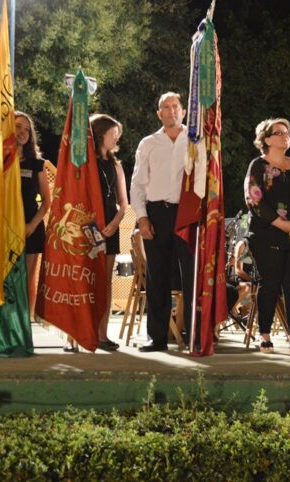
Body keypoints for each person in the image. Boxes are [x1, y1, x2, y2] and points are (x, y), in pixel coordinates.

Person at [244, 118, 290, 354]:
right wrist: (280, 224)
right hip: (267, 235)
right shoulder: (258, 166)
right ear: (266, 139)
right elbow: (254, 199)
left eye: (288, 133)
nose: (286, 136)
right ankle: (264, 334)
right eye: (279, 132)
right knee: (270, 283)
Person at [129, 92, 194, 352]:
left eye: (175, 106)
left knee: (191, 275)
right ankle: (157, 337)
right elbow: (137, 183)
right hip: (157, 214)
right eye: (165, 107)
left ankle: (194, 335)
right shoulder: (148, 143)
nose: (171, 111)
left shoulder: (196, 140)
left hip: (188, 214)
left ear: (183, 111)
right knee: (158, 277)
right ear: (159, 114)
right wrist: (142, 217)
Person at [89, 114, 129, 351]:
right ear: (99, 133)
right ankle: (78, 335)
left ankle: (102, 334)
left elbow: (123, 202)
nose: (116, 137)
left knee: (105, 282)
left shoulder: (115, 164)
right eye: (112, 133)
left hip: (109, 227)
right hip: (88, 228)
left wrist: (114, 223)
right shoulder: (85, 162)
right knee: (85, 281)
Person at [14, 112, 52, 321]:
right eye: (18, 127)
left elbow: (47, 201)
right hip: (4, 229)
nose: (22, 132)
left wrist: (32, 225)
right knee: (6, 281)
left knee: (27, 280)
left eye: (27, 129)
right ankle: (5, 327)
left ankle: (24, 324)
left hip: (31, 228)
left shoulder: (38, 164)